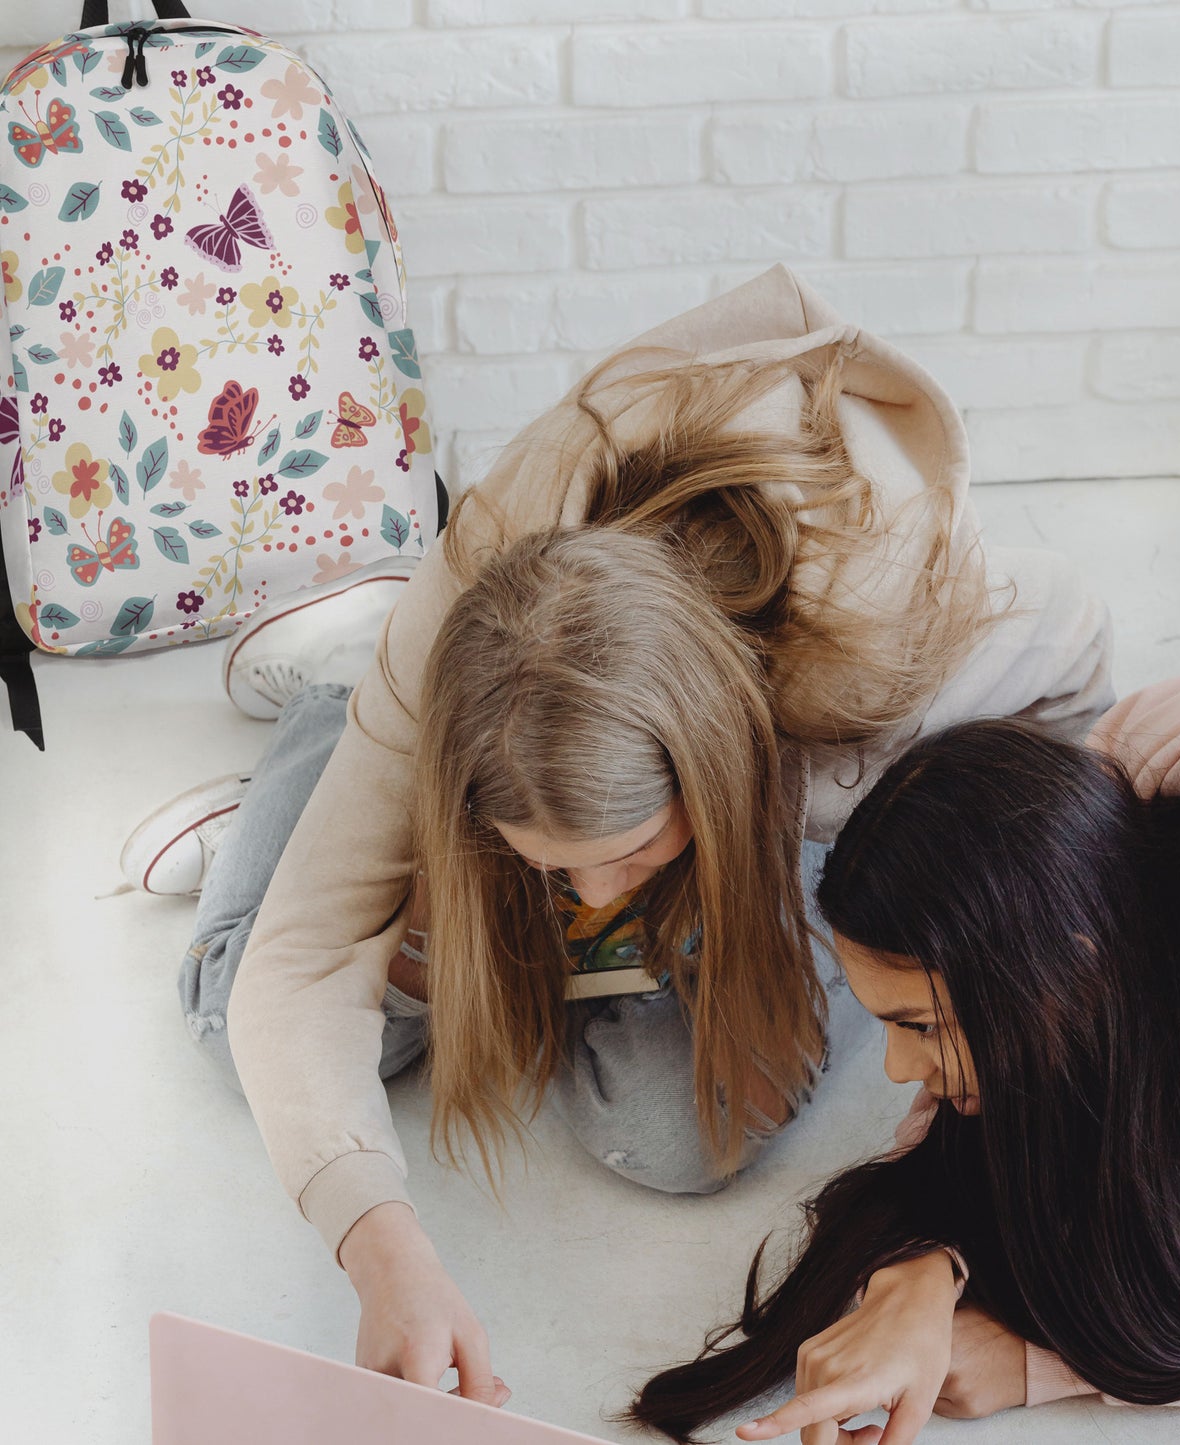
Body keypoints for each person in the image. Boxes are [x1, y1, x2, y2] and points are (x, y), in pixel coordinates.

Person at [120, 265, 1115, 1403]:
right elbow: (296, 969)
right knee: (234, 1020)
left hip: (798, 753)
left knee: (676, 1139)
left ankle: (392, 779)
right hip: (490, 686)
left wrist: (1001, 882)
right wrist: (384, 1253)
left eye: (632, 850)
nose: (594, 894)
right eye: (554, 868)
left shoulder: (880, 657)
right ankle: (332, 720)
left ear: (720, 761)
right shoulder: (478, 624)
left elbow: (1076, 649)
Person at [628, 476, 1180, 1444]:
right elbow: (987, 1060)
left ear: (1067, 956)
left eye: (917, 1025)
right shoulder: (1109, 773)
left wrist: (1036, 1365)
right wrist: (919, 1266)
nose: (896, 1068)